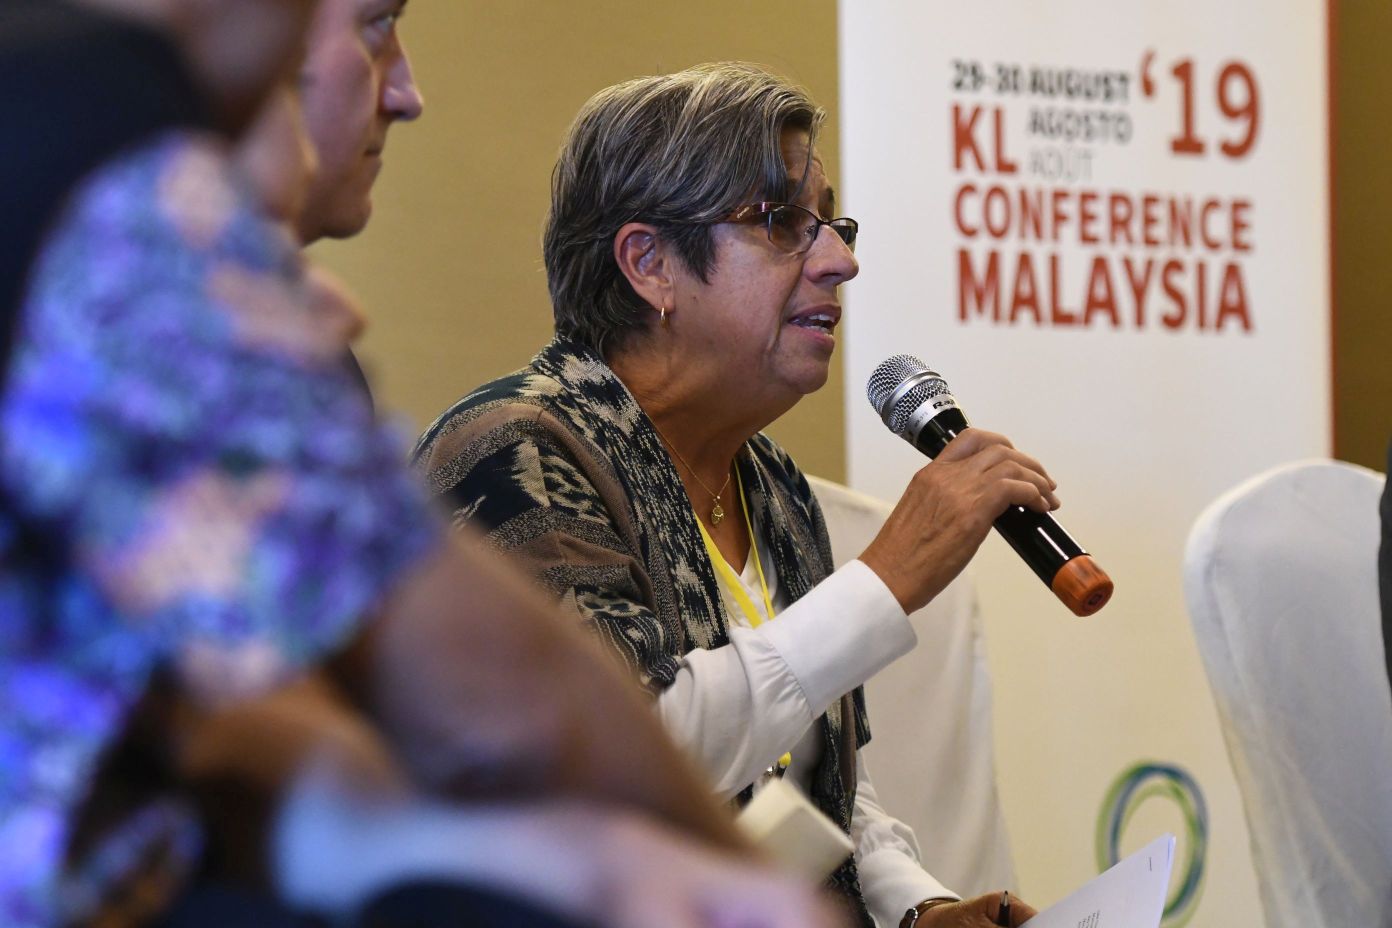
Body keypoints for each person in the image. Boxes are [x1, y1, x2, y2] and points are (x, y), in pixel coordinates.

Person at [0, 7, 838, 927]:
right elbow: (489, 692)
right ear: (648, 264)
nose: (404, 92)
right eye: (374, 27)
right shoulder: (97, 142)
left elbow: (218, 716)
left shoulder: (777, 488)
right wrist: (730, 886)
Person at [414, 62, 1047, 928]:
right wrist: (888, 578)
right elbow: (621, 755)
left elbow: (813, 783)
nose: (841, 262)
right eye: (782, 222)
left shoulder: (771, 485)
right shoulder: (513, 453)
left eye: (833, 225)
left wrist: (917, 908)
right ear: (650, 264)